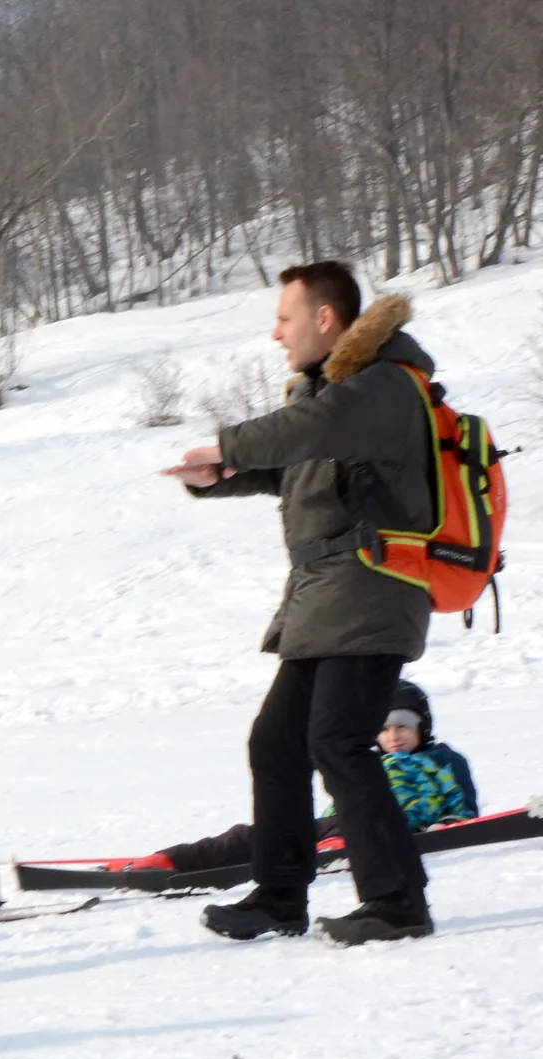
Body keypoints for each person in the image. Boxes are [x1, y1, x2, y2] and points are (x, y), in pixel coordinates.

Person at [162, 261, 443, 946]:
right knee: (278, 741)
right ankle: (280, 895)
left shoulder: (382, 387)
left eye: (285, 318)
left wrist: (224, 443)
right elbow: (294, 464)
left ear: (325, 319)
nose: (275, 334)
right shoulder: (331, 396)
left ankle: (399, 900)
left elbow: (304, 433)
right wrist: (218, 474)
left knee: (337, 740)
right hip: (325, 600)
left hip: (373, 592)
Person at [136, 681, 477, 873]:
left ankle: (336, 847)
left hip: (399, 827)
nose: (393, 736)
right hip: (342, 824)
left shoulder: (443, 760)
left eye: (403, 725)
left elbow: (463, 805)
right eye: (384, 728)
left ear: (423, 726)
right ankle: (171, 859)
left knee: (351, 826)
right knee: (261, 833)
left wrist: (450, 825)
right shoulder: (367, 761)